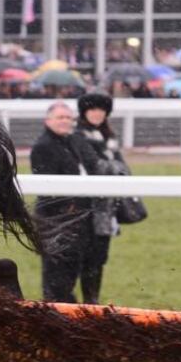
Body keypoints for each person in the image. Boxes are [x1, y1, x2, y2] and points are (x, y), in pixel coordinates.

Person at [30, 101, 119, 304]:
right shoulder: (44, 146)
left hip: (77, 219)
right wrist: (71, 207)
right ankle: (59, 315)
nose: (65, 122)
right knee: (57, 278)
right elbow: (48, 187)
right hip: (57, 222)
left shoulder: (72, 141)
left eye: (69, 118)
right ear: (48, 120)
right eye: (60, 117)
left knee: (75, 269)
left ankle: (76, 312)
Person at [73, 93, 129, 303]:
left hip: (106, 208)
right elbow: (96, 166)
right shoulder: (78, 136)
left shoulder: (109, 138)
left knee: (98, 257)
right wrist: (117, 168)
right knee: (87, 257)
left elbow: (123, 168)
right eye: (93, 109)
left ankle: (92, 300)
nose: (97, 113)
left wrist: (116, 168)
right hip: (86, 206)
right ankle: (88, 301)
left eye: (101, 110)